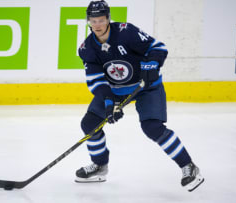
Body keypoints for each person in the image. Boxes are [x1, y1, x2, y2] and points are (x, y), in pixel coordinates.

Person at [75, 0, 204, 192]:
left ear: (108, 19)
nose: (98, 25)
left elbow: (158, 48)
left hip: (147, 86)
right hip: (116, 90)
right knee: (89, 124)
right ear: (88, 21)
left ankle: (188, 166)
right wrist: (110, 103)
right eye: (93, 21)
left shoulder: (127, 32)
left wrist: (151, 65)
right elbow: (96, 80)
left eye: (101, 20)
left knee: (152, 127)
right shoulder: (87, 48)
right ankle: (100, 166)